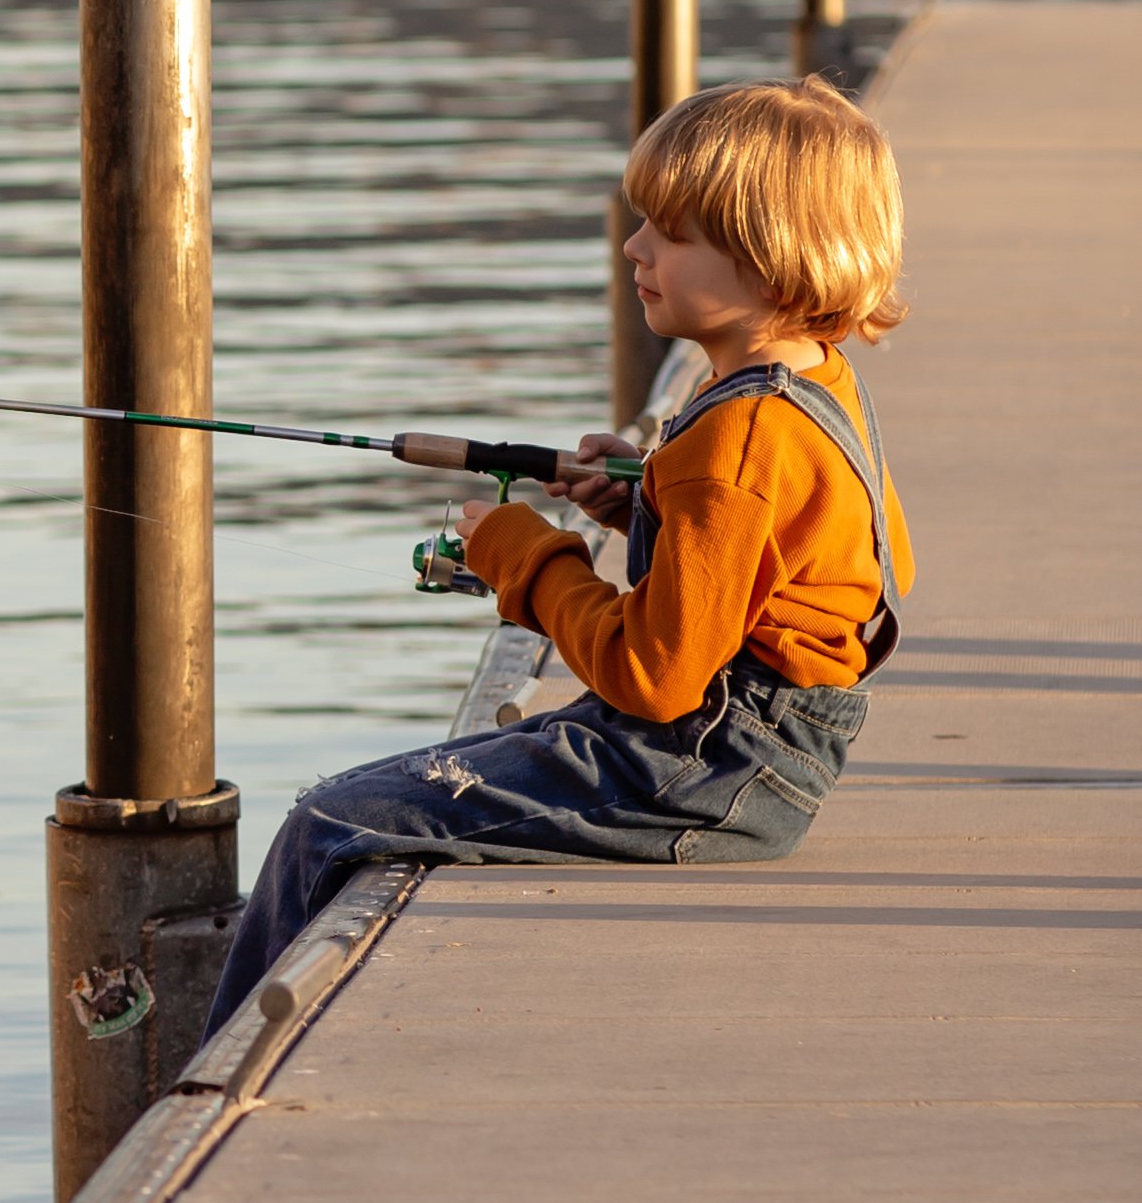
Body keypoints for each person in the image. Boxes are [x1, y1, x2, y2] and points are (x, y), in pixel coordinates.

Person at [204, 76, 916, 1035]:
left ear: (773, 264)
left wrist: (529, 559)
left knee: (327, 823)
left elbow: (653, 675)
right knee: (399, 791)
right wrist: (641, 505)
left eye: (671, 232)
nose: (635, 249)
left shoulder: (735, 441)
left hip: (693, 770)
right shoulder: (810, 391)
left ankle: (216, 1073)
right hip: (758, 760)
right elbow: (832, 574)